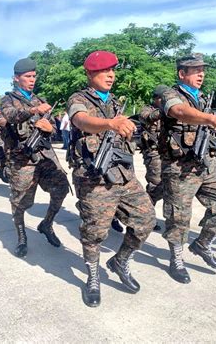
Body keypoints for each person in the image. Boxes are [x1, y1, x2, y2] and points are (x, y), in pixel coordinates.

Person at [67, 50, 156, 307]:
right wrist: (111, 123)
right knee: (95, 232)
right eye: (104, 71)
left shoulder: (116, 101)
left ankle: (120, 260)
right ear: (90, 74)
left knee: (146, 220)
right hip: (94, 179)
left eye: (112, 70)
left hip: (124, 175)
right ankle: (93, 276)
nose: (111, 75)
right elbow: (81, 120)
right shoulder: (78, 98)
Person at [159, 54, 216, 284]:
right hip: (179, 166)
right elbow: (179, 112)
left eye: (202, 70)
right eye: (195, 70)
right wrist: (210, 118)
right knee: (179, 216)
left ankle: (202, 243)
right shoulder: (171, 95)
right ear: (182, 74)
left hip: (206, 162)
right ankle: (177, 258)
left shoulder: (202, 98)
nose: (201, 74)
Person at [1, 58, 69, 259]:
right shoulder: (8, 99)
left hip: (44, 154)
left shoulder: (39, 99)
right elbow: (11, 115)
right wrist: (32, 110)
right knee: (21, 201)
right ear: (16, 78)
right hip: (22, 159)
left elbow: (53, 127)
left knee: (61, 188)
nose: (32, 80)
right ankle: (22, 236)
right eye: (27, 76)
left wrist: (51, 128)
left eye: (34, 76)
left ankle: (46, 223)